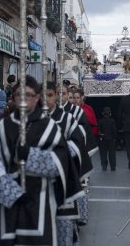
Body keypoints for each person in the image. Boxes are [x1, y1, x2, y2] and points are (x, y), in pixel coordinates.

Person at [0, 75, 82, 246]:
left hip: (42, 199)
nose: (23, 99)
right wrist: (12, 192)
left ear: (36, 98)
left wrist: (30, 155)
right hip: (9, 201)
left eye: (28, 95)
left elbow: (60, 162)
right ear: (13, 97)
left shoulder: (50, 127)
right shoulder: (3, 127)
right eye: (19, 95)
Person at [46, 81, 92, 246]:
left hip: (65, 172)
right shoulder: (34, 117)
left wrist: (60, 155)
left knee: (64, 223)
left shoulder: (70, 115)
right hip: (40, 181)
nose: (46, 99)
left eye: (50, 95)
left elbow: (80, 138)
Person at [98, 107, 117, 171]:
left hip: (103, 139)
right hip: (111, 139)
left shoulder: (100, 121)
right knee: (112, 153)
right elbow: (114, 130)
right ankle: (113, 166)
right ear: (110, 114)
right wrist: (115, 137)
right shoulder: (112, 121)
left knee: (103, 153)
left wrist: (100, 136)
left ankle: (104, 165)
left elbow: (99, 131)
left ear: (102, 113)